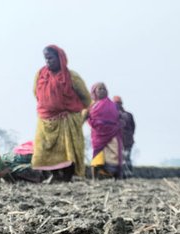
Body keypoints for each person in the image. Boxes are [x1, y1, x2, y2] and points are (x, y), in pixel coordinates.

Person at [32, 45, 90, 181]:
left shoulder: (72, 77)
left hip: (66, 119)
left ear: (60, 58)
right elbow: (36, 92)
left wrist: (79, 113)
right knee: (44, 149)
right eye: (45, 59)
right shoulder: (40, 74)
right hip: (45, 119)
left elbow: (86, 97)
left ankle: (67, 176)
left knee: (67, 151)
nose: (47, 62)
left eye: (50, 58)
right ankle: (55, 175)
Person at [85, 82, 123, 179]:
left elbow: (119, 118)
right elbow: (86, 117)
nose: (102, 91)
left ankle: (116, 177)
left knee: (113, 156)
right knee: (97, 157)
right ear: (94, 92)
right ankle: (95, 178)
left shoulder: (113, 105)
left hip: (112, 134)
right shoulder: (91, 106)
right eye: (99, 89)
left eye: (104, 89)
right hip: (98, 135)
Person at [113, 95, 136, 176]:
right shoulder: (128, 115)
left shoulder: (124, 115)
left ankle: (126, 174)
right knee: (125, 158)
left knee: (124, 158)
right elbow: (133, 128)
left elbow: (133, 128)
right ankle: (126, 174)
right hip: (125, 141)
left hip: (124, 141)